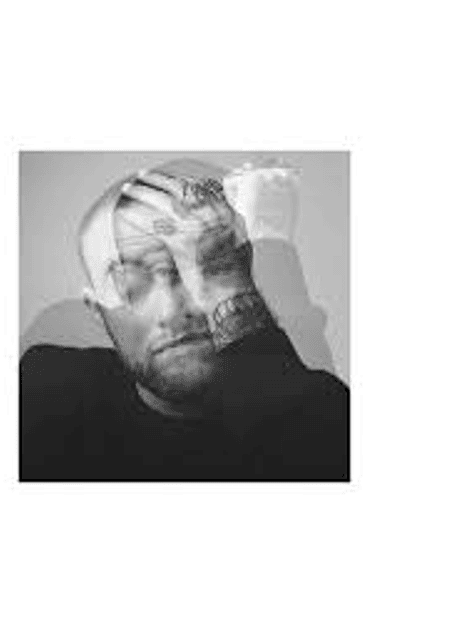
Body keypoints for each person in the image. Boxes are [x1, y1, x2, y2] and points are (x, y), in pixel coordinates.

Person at [20, 159, 349, 481]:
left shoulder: (323, 413)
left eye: (205, 267)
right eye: (130, 284)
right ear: (96, 309)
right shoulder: (49, 393)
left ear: (242, 278)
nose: (171, 310)